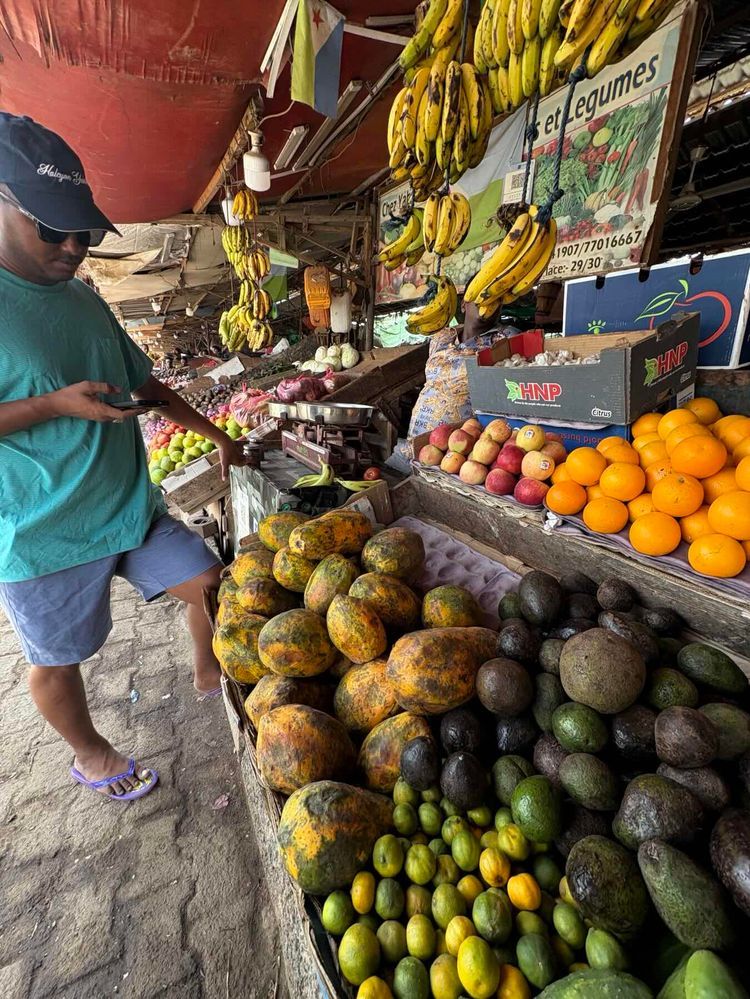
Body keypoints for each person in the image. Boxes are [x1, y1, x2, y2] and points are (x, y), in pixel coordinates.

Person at [0, 113, 247, 802]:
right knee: (56, 663)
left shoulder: (83, 296)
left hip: (128, 507)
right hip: (44, 532)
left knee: (210, 582)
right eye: (53, 227)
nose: (75, 245)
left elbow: (147, 383)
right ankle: (92, 752)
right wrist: (53, 406)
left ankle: (207, 671)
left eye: (84, 229)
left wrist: (219, 434)